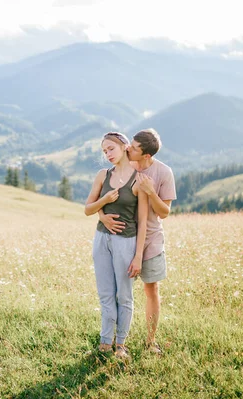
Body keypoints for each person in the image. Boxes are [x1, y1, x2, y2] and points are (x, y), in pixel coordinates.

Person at [98, 128, 176, 355]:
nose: (129, 148)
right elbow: (104, 199)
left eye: (134, 148)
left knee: (151, 289)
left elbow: (165, 212)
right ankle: (115, 340)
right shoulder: (125, 167)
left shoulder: (163, 172)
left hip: (151, 241)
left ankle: (150, 341)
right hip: (123, 238)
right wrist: (102, 216)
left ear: (147, 156)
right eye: (129, 144)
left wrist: (151, 192)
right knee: (119, 292)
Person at [84, 131, 148, 360]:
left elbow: (142, 222)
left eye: (111, 148)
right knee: (105, 293)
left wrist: (138, 256)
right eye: (104, 151)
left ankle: (120, 343)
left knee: (124, 295)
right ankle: (105, 340)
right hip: (101, 240)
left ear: (123, 146)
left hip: (126, 242)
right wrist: (103, 208)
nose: (108, 154)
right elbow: (88, 208)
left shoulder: (139, 180)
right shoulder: (103, 175)